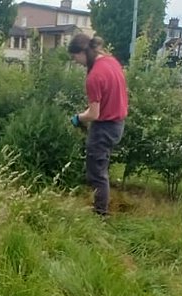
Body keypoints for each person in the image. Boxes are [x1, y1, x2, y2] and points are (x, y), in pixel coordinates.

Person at [67, 34, 129, 217]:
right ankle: (100, 208)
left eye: (74, 57)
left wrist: (78, 118)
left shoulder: (94, 76)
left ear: (82, 52)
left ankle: (100, 214)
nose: (75, 62)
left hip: (105, 127)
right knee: (101, 169)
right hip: (118, 123)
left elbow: (94, 113)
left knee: (97, 173)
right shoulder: (111, 61)